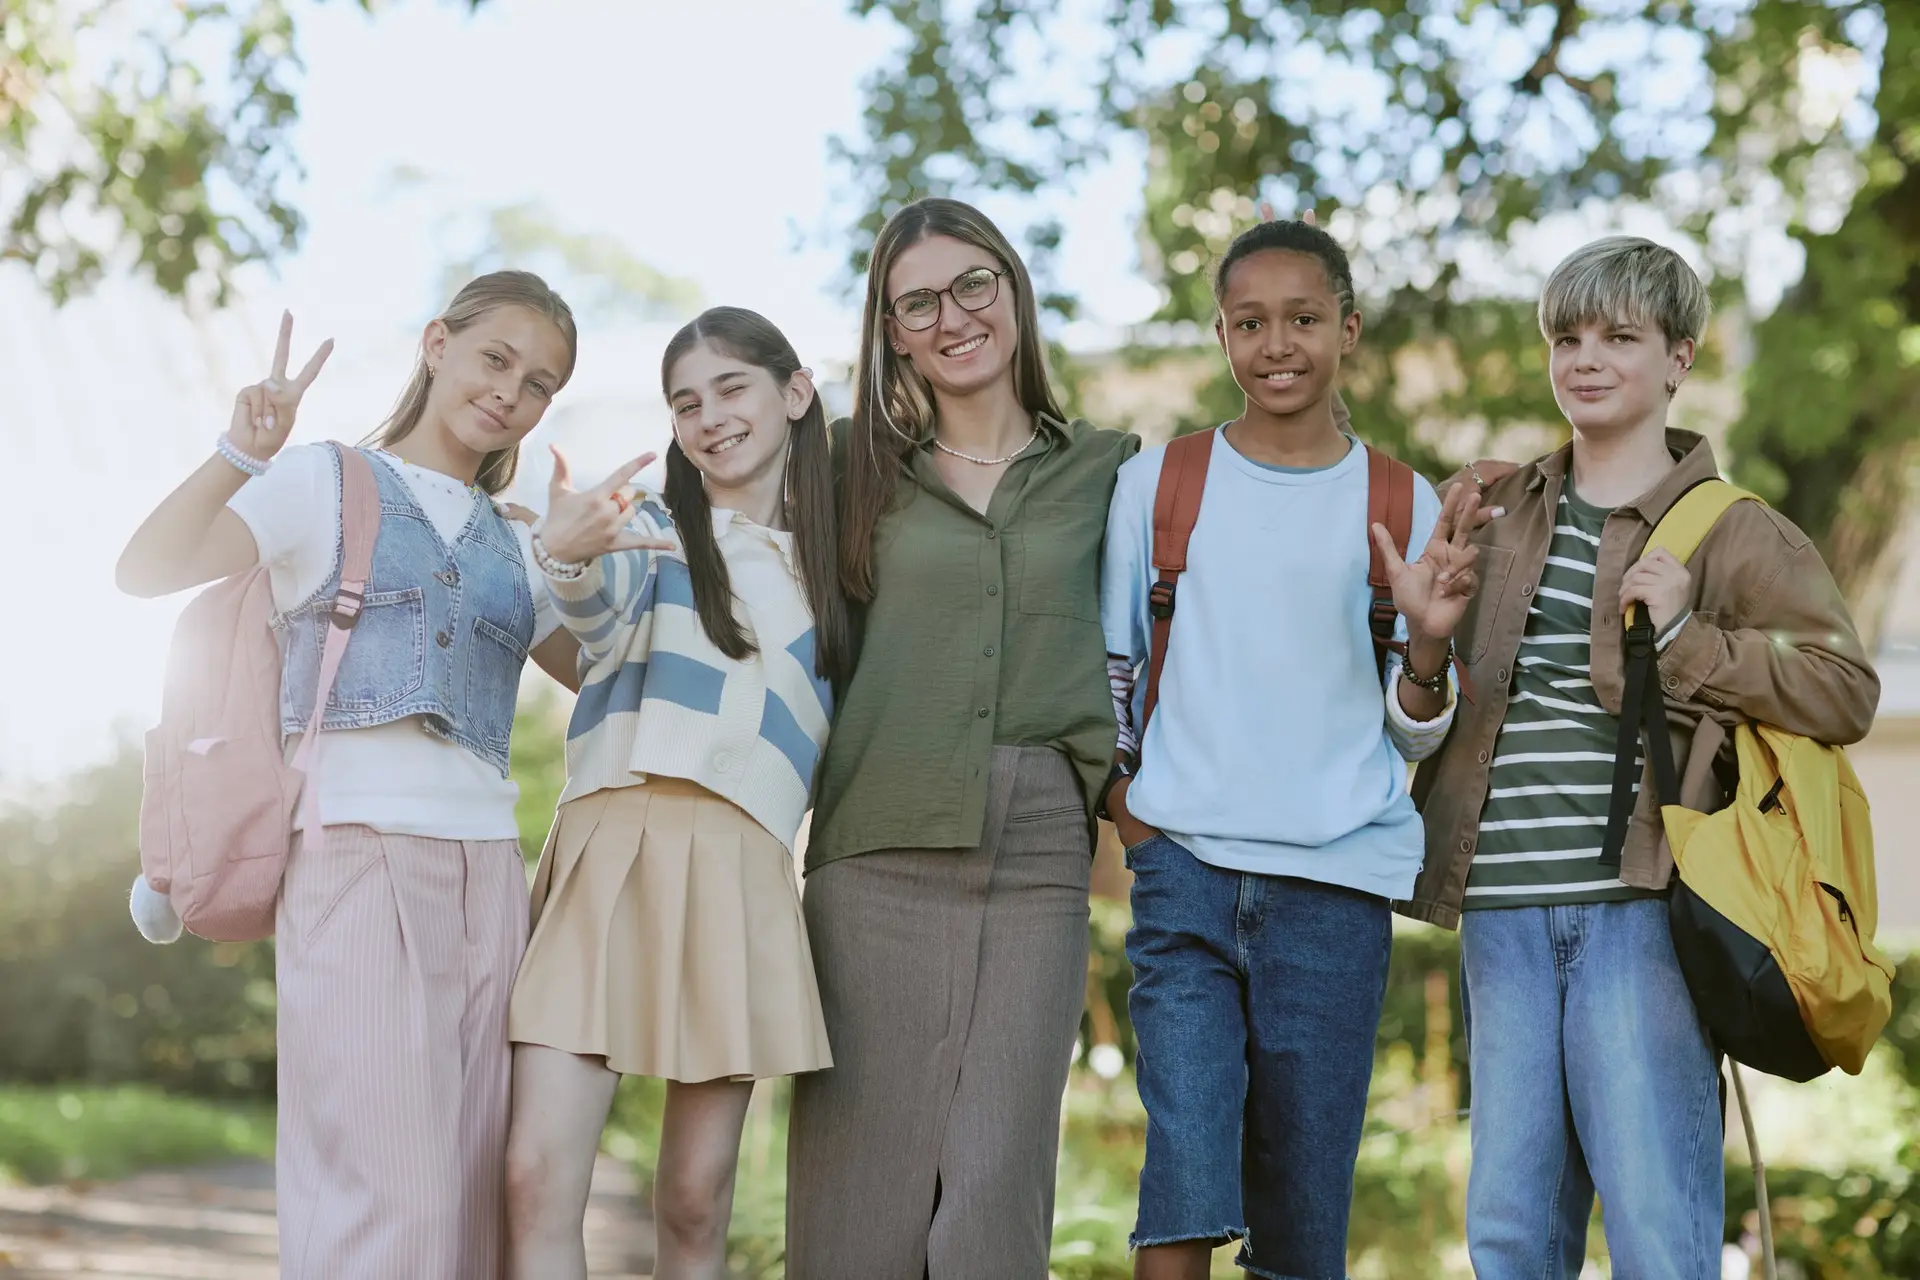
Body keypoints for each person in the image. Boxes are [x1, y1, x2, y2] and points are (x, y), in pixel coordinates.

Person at [1401, 235, 1881, 1278]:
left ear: (1679, 358)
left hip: (1643, 916)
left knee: (1660, 1234)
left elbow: (1847, 688)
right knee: (1512, 1235)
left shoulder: (1737, 532)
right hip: (1501, 917)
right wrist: (1427, 643)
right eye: (1567, 336)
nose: (1587, 357)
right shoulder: (1491, 508)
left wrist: (1682, 638)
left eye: (1621, 335)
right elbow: (1428, 716)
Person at [115, 271, 585, 1279]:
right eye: (496, 358)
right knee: (384, 1200)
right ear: (436, 343)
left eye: (540, 382)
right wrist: (243, 450)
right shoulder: (323, 480)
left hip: (494, 876)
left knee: (466, 1199)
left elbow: (603, 676)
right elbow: (147, 566)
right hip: (355, 858)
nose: (511, 391)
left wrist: (598, 567)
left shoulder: (517, 541)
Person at [1101, 218, 1479, 1280]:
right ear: (1221, 335)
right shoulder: (1160, 485)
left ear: (1348, 328)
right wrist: (1138, 821)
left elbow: (1417, 723)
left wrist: (1432, 643)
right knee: (1179, 1176)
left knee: (1304, 1211)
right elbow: (1114, 669)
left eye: (1304, 318)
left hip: (1334, 885)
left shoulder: (1400, 502)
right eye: (1251, 321)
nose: (1279, 343)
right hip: (1186, 871)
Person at [782, 196, 1139, 1278]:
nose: (953, 316)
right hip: (874, 848)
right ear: (892, 330)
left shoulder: (1115, 469)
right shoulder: (844, 467)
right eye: (919, 301)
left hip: (1037, 855)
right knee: (858, 1204)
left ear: (1013, 288)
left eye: (972, 283)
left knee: (993, 1195)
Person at [502, 307, 850, 1280]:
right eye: (685, 402)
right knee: (533, 1172)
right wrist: (570, 555)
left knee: (695, 1202)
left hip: (740, 863)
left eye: (731, 387)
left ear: (794, 390)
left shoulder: (847, 574)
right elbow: (599, 617)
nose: (708, 417)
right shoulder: (651, 529)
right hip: (608, 839)